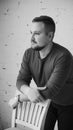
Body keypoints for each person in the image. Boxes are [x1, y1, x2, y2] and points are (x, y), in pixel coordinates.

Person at [16, 15, 73, 130]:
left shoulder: (63, 56)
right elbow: (21, 80)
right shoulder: (28, 54)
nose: (31, 38)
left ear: (50, 36)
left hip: (68, 104)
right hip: (47, 101)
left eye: (37, 33)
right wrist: (28, 90)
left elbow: (50, 90)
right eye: (31, 33)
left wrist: (19, 99)